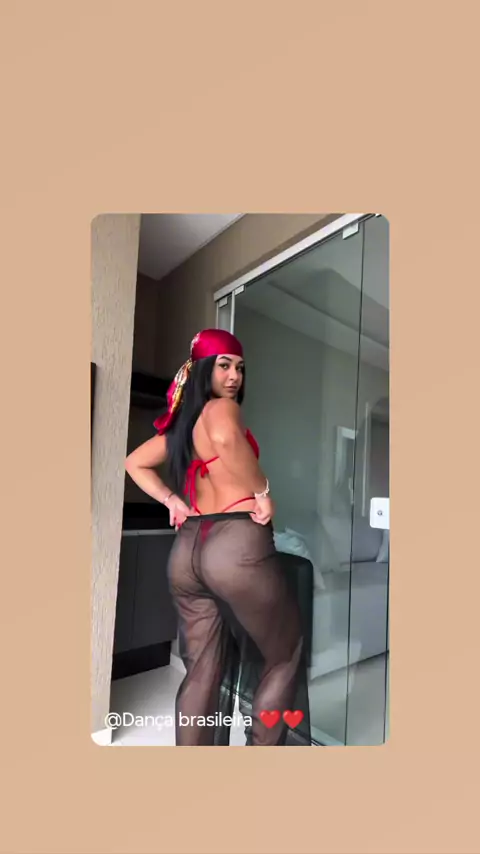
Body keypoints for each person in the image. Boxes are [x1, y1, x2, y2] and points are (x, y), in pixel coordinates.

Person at [125, 328, 310, 746]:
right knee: (285, 654)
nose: (234, 377)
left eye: (240, 368)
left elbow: (134, 463)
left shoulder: (182, 426)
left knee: (202, 670)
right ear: (203, 369)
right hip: (234, 545)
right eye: (224, 365)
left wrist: (173, 500)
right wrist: (263, 492)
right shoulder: (221, 409)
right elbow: (226, 439)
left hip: (188, 549)